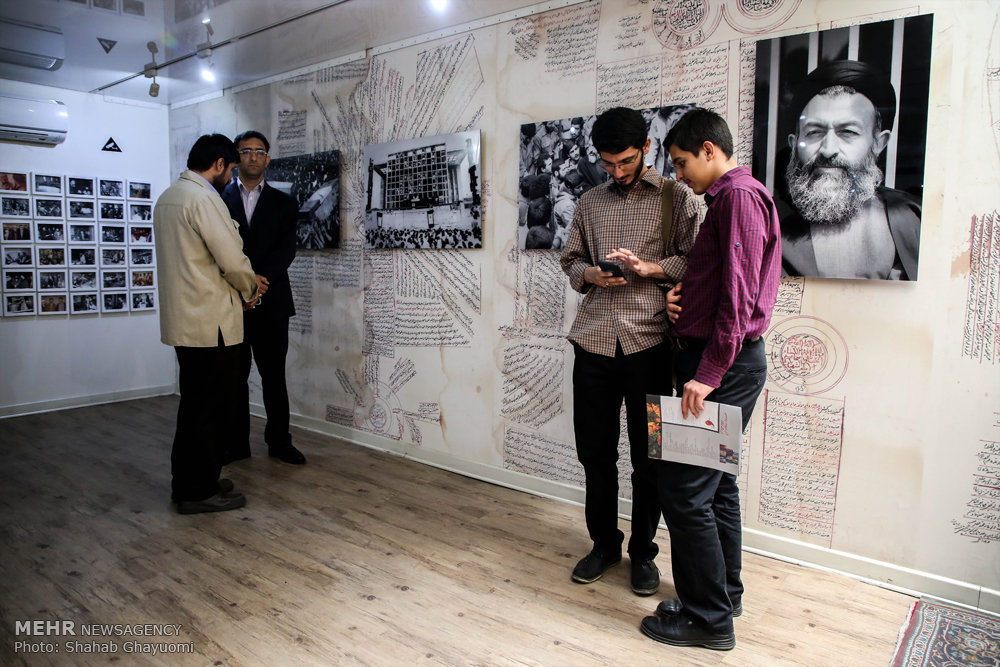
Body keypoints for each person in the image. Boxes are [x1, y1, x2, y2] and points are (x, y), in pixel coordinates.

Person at [639, 108, 781, 651]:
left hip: (722, 365)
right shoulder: (731, 199)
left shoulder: (738, 197)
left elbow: (739, 300)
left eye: (680, 163)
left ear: (708, 150)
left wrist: (709, 372)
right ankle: (725, 596)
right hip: (720, 360)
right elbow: (724, 286)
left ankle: (708, 620)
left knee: (683, 491)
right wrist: (685, 302)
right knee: (716, 485)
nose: (678, 175)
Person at [560, 106, 704, 597]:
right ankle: (604, 545)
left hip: (651, 343)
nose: (617, 171)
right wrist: (590, 275)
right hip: (594, 343)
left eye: (625, 161)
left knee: (651, 459)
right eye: (608, 163)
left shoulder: (676, 197)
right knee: (594, 454)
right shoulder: (589, 202)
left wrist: (648, 268)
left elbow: (696, 261)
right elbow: (571, 260)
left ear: (646, 147)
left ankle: (643, 553)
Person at [155, 133, 265, 515]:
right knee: (211, 410)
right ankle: (197, 491)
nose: (231, 175)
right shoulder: (204, 199)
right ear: (219, 164)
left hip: (187, 321)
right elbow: (232, 259)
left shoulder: (169, 197)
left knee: (195, 406)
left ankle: (192, 481)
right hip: (212, 323)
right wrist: (252, 288)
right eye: (231, 167)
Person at [780, 59, 920, 280]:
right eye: (814, 132)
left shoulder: (914, 218)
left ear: (879, 143)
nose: (828, 150)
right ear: (794, 143)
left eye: (848, 132)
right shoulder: (769, 227)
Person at [222, 130, 305, 465]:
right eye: (246, 151)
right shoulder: (218, 200)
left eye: (259, 151)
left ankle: (279, 442)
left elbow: (286, 250)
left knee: (274, 377)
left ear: (267, 159)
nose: (253, 157)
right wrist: (245, 282)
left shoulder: (284, 203)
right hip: (231, 302)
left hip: (272, 301)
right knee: (234, 378)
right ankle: (235, 444)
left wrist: (258, 282)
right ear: (236, 157)